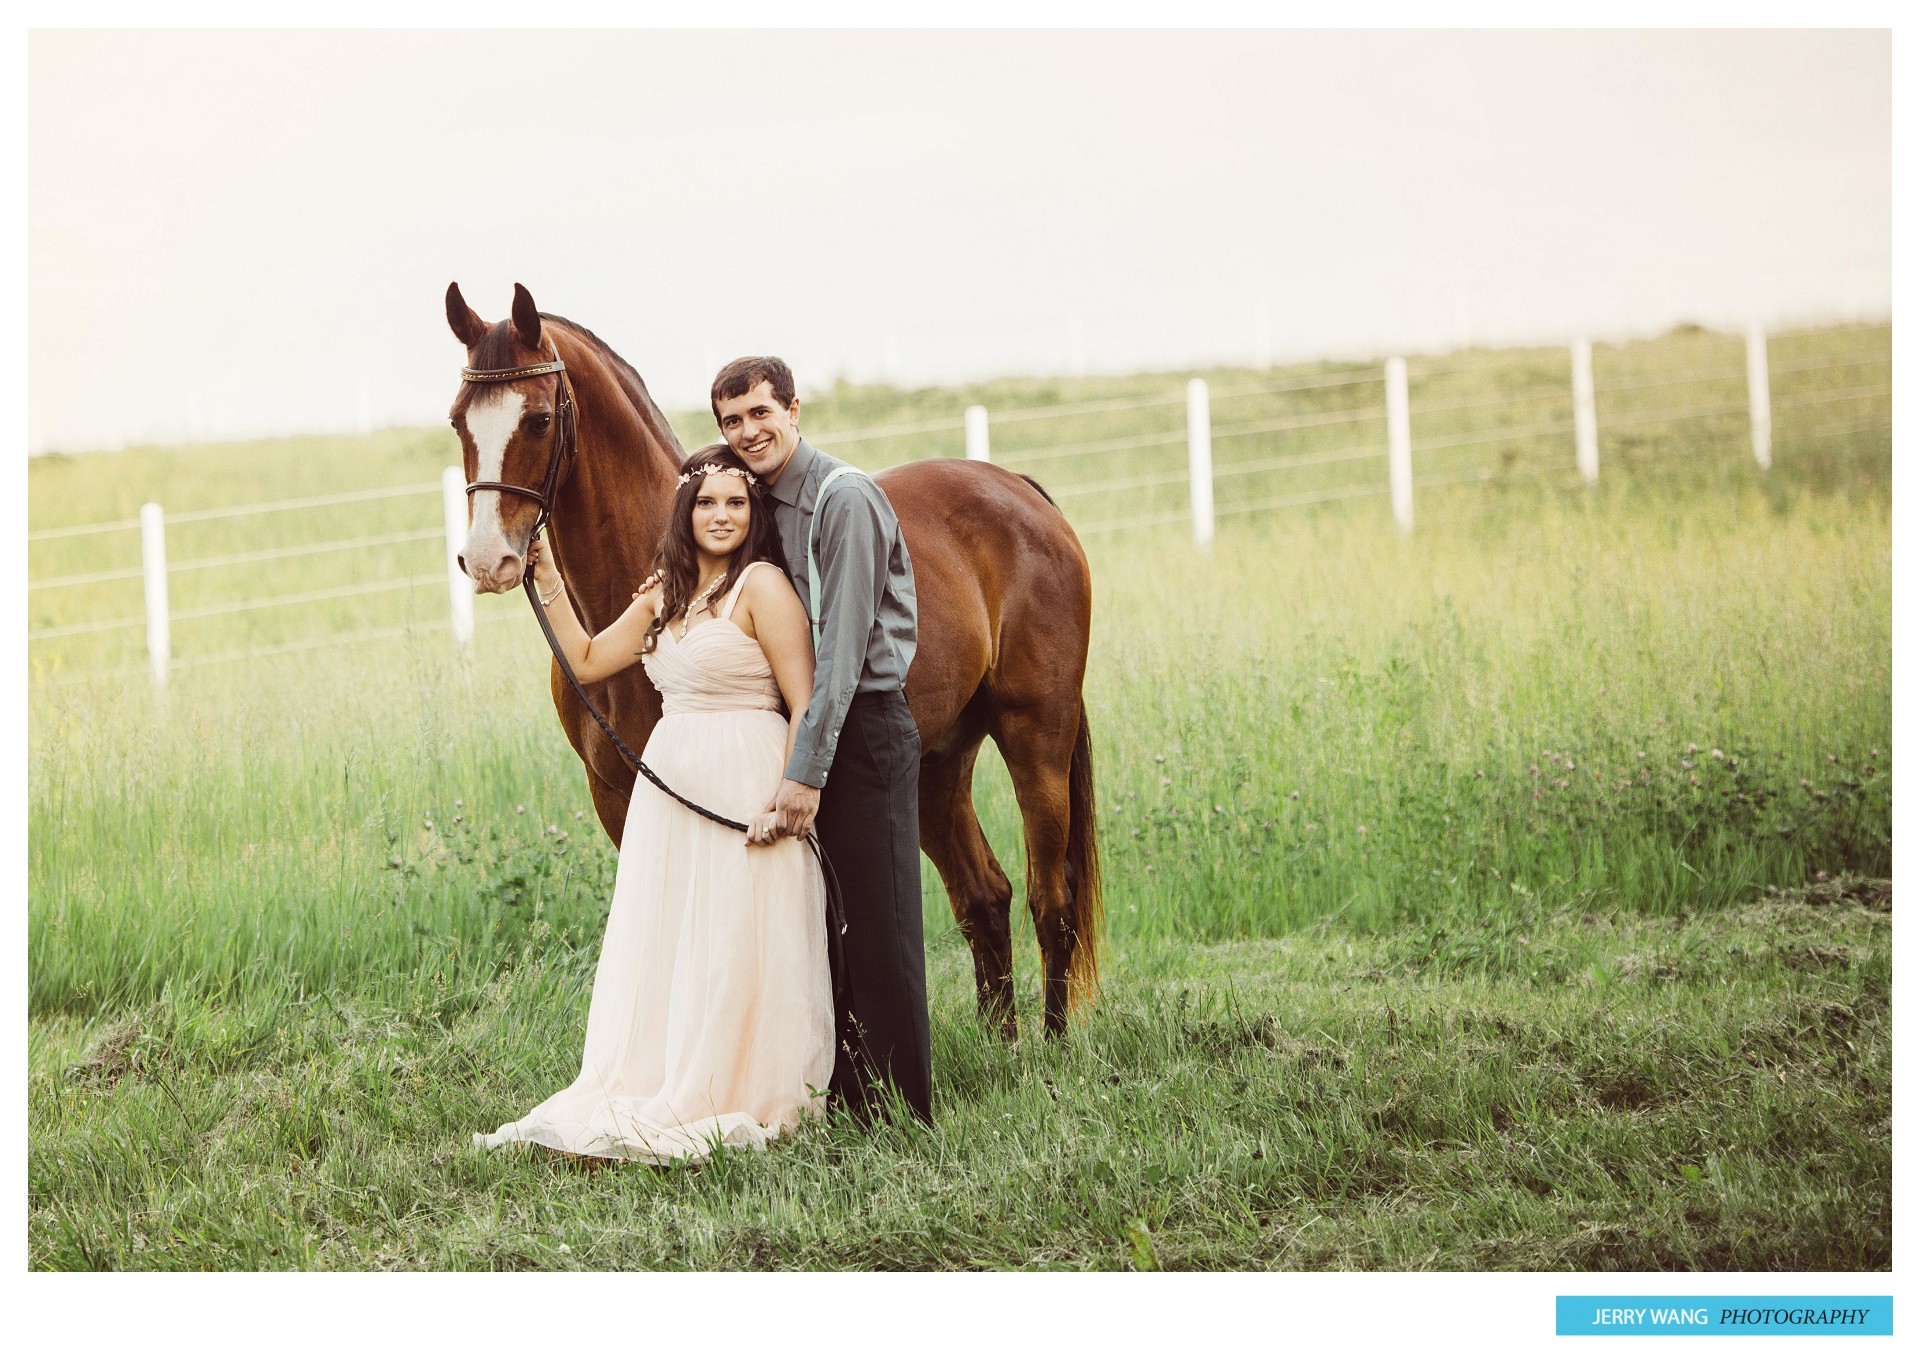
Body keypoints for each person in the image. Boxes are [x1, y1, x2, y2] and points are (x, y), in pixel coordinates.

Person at [473, 444, 834, 1163]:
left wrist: (797, 787)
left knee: (739, 933)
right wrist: (544, 578)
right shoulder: (663, 593)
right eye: (706, 502)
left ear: (752, 511)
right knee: (677, 934)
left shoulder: (762, 587)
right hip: (674, 785)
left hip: (746, 774)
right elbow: (585, 661)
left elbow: (806, 700)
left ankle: (743, 1081)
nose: (721, 515)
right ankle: (666, 1072)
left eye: (736, 501)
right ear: (685, 511)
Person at [710, 355, 933, 1125]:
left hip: (862, 730)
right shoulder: (757, 504)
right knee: (822, 926)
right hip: (806, 728)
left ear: (794, 410)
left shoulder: (845, 500)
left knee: (881, 924)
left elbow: (839, 661)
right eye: (731, 422)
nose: (748, 432)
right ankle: (846, 1096)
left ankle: (904, 1111)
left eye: (760, 414)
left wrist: (804, 773)